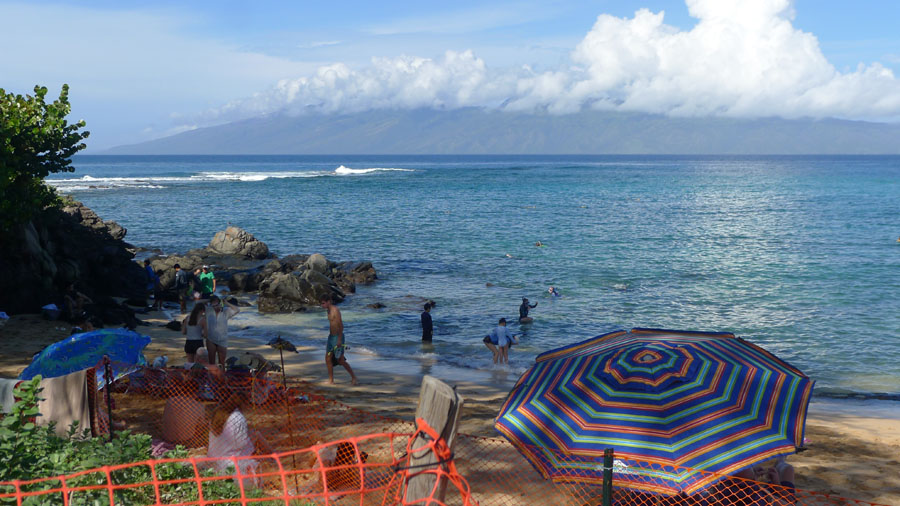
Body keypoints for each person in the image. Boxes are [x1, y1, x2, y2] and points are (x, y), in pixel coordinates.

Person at [207, 393, 269, 488]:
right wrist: (250, 439)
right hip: (232, 466)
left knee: (254, 435)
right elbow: (241, 444)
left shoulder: (217, 413)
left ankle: (274, 456)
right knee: (256, 437)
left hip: (214, 463)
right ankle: (275, 456)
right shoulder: (238, 416)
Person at [321, 297, 358, 385]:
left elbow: (341, 325)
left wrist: (339, 340)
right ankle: (331, 380)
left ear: (328, 301)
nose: (322, 305)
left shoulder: (335, 310)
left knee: (340, 360)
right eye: (321, 303)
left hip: (338, 338)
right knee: (328, 358)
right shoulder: (328, 311)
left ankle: (354, 377)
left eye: (323, 303)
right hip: (331, 337)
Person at [206, 295, 239, 368]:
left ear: (220, 303)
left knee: (222, 363)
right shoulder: (209, 310)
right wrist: (207, 300)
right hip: (211, 339)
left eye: (217, 304)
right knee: (211, 362)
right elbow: (197, 303)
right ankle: (212, 378)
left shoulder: (226, 311)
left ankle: (222, 378)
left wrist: (226, 302)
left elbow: (237, 310)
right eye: (213, 305)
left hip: (222, 340)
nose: (215, 307)